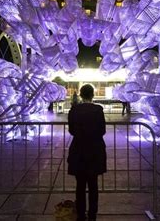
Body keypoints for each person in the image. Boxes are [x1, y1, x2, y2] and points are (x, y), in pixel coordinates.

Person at [67, 84, 106, 221]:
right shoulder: (98, 110)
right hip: (95, 151)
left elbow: (71, 130)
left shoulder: (74, 110)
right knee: (93, 185)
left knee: (80, 185)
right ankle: (92, 214)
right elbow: (102, 130)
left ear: (81, 95)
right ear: (92, 95)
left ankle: (81, 214)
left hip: (79, 151)